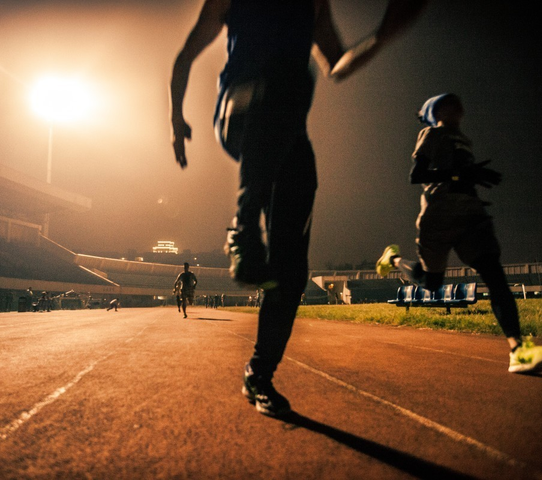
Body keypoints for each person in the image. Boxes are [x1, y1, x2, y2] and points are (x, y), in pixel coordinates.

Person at [170, 0, 427, 416]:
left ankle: (260, 374)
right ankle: (245, 223)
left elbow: (337, 64)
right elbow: (185, 56)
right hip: (240, 111)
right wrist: (175, 118)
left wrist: (382, 35)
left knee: (291, 269)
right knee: (289, 78)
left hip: (289, 136)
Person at [376, 93, 542, 374]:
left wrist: (470, 175)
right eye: (446, 103)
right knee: (431, 282)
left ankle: (518, 350)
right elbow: (416, 176)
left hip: (470, 215)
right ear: (434, 112)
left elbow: (460, 174)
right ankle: (393, 259)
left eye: (457, 102)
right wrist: (458, 175)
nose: (456, 105)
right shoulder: (431, 133)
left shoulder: (465, 139)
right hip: (439, 215)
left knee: (494, 274)